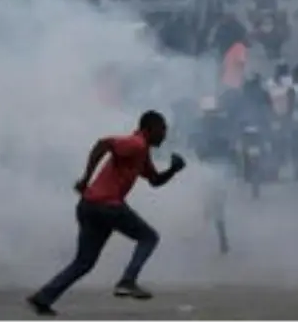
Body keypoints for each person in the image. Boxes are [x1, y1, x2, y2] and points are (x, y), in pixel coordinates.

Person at [28, 112, 186, 315]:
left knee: (84, 262)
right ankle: (128, 281)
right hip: (107, 206)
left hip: (88, 206)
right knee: (149, 237)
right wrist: (86, 178)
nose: (164, 135)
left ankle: (43, 298)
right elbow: (102, 144)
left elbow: (154, 180)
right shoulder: (136, 143)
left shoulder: (142, 152)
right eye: (162, 129)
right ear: (149, 129)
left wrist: (172, 170)